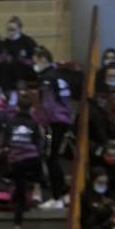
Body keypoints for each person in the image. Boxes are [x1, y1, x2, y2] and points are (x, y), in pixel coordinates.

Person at [34, 47, 77, 209]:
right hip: (63, 121)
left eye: (36, 61)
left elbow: (48, 105)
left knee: (50, 157)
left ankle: (56, 196)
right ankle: (62, 194)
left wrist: (41, 121)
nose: (34, 64)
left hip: (53, 124)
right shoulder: (60, 76)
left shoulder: (47, 79)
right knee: (52, 157)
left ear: (43, 60)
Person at [0, 101, 44, 229]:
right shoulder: (34, 123)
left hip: (15, 162)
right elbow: (39, 144)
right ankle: (37, 189)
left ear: (17, 108)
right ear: (31, 108)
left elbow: (5, 143)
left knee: (20, 194)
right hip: (32, 160)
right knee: (39, 162)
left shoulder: (10, 123)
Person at [3, 16, 38, 84]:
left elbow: (34, 58)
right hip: (9, 77)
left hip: (25, 76)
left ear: (19, 29)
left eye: (13, 29)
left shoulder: (28, 41)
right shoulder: (5, 43)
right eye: (8, 29)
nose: (10, 32)